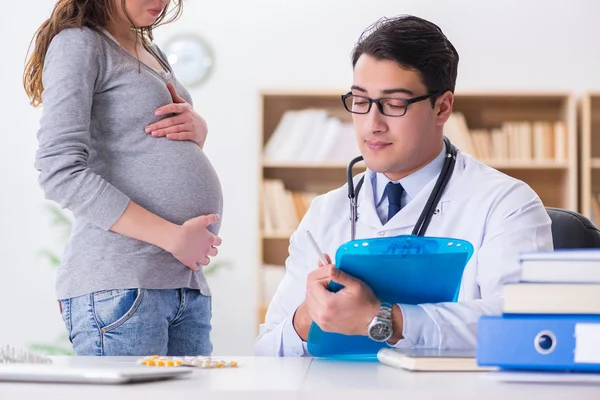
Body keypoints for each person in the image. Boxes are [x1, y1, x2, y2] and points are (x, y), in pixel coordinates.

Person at [255, 15, 553, 357]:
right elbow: (265, 351)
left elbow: (528, 327)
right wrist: (306, 320)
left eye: (394, 104)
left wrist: (386, 320)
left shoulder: (506, 203)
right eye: (361, 101)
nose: (372, 125)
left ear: (441, 108)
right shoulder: (326, 212)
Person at [24, 0, 223, 356]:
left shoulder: (152, 50)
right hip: (122, 289)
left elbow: (144, 150)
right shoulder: (80, 43)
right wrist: (172, 236)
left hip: (184, 287)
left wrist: (199, 132)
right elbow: (58, 169)